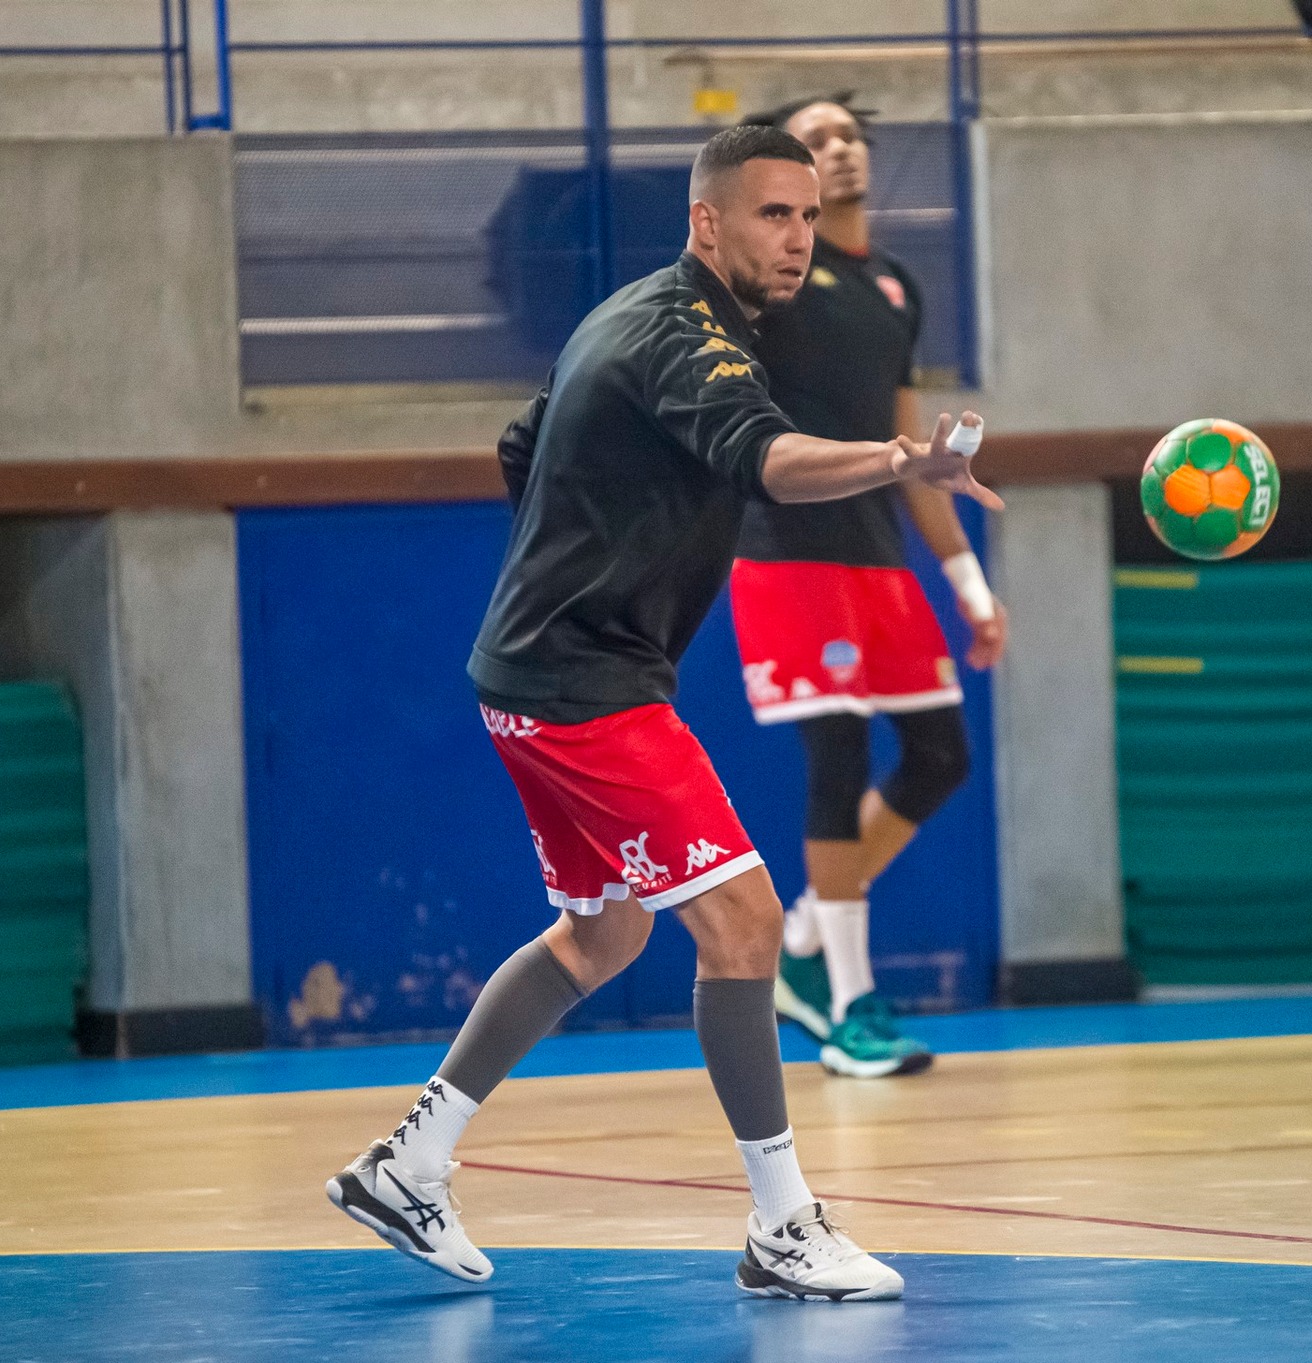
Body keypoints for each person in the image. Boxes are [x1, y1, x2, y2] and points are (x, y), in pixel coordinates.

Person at [323, 124, 1001, 1303]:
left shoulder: (624, 313)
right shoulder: (691, 339)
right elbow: (773, 465)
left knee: (605, 934)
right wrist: (900, 459)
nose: (794, 240)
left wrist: (581, 545)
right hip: (584, 684)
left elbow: (521, 445)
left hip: (539, 669)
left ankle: (411, 1161)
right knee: (741, 920)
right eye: (768, 217)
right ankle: (784, 1226)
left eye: (804, 217)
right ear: (707, 220)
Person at [729, 95, 1009, 1079]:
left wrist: (970, 585)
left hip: (878, 560)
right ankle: (849, 1005)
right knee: (836, 759)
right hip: (786, 553)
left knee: (939, 754)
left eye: (849, 137)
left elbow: (919, 454)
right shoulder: (767, 283)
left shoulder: (893, 286)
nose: (839, 151)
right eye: (815, 141)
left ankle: (804, 939)